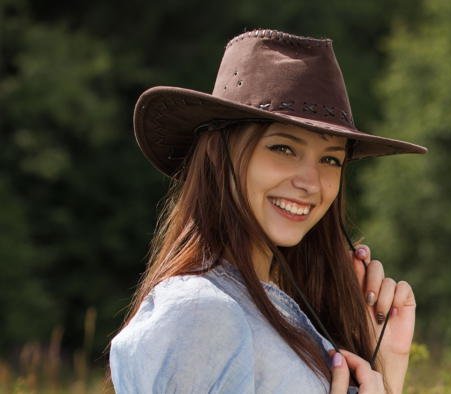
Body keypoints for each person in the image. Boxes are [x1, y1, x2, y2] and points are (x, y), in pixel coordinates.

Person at [108, 28, 427, 394]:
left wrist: (385, 367)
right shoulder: (202, 313)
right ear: (219, 157)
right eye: (283, 148)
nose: (311, 182)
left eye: (330, 159)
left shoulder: (281, 313)